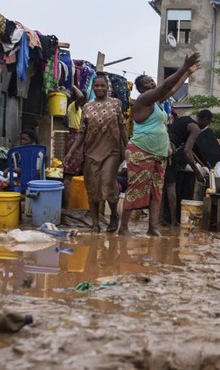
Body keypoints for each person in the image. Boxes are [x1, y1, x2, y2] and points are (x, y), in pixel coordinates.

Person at [118, 52, 202, 236]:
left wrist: (187, 73)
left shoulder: (155, 104)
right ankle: (123, 227)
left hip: (159, 153)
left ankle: (152, 228)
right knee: (136, 189)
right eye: (148, 82)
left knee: (157, 191)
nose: (152, 83)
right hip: (141, 150)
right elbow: (167, 85)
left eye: (152, 81)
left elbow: (170, 91)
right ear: (140, 89)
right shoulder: (143, 101)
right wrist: (183, 67)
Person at [63, 73, 128, 233]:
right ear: (93, 87)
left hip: (112, 151)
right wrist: (71, 153)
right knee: (92, 188)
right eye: (96, 86)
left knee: (107, 183)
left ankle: (114, 215)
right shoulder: (87, 107)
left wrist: (128, 150)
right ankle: (95, 224)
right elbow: (81, 132)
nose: (99, 88)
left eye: (102, 86)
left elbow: (122, 127)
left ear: (108, 87)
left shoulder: (116, 103)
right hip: (90, 152)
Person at [165, 109, 213, 225]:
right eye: (208, 123)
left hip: (160, 144)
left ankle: (161, 218)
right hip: (167, 149)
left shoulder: (184, 118)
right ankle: (173, 220)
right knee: (171, 185)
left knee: (160, 185)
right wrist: (197, 173)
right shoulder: (195, 128)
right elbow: (187, 151)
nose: (206, 126)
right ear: (205, 120)